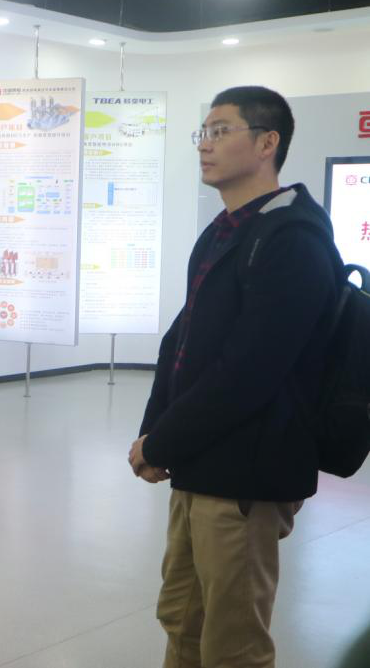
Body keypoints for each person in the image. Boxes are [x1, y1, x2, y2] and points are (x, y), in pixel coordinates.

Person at [129, 86, 340, 668]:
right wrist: (154, 432)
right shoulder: (226, 229)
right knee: (183, 620)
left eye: (221, 131)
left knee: (233, 642)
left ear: (268, 143)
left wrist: (165, 441)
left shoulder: (293, 237)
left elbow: (249, 372)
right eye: (204, 132)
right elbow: (182, 340)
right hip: (201, 463)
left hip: (247, 473)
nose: (206, 144)